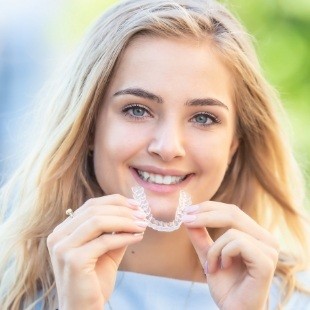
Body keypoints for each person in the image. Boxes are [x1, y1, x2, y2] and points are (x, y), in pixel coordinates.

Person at [0, 0, 310, 309]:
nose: (168, 147)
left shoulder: (294, 299)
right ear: (89, 126)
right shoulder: (14, 294)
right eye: (137, 110)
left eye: (203, 117)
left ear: (233, 144)